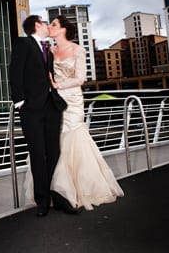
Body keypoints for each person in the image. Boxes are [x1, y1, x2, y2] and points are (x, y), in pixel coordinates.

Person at [46, 15, 124, 211]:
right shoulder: (49, 51)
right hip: (54, 101)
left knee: (73, 139)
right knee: (56, 142)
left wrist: (58, 84)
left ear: (63, 29)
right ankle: (59, 192)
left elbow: (81, 78)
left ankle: (78, 190)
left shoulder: (77, 50)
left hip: (72, 100)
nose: (50, 26)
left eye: (53, 24)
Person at [9, 15, 66, 217]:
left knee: (54, 152)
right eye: (44, 22)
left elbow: (48, 76)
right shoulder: (23, 43)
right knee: (38, 154)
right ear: (36, 25)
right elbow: (15, 73)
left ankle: (49, 190)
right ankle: (42, 200)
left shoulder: (47, 50)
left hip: (51, 107)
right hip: (31, 109)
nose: (46, 25)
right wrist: (20, 102)